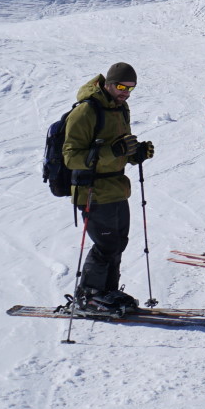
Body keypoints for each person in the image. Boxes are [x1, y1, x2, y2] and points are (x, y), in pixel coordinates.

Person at [62, 62, 154, 315]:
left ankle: (107, 291)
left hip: (117, 187)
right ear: (109, 84)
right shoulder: (86, 111)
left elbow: (119, 147)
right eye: (122, 87)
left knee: (118, 243)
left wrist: (134, 153)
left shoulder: (120, 108)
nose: (126, 93)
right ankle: (89, 295)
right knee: (106, 245)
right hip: (91, 189)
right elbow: (71, 157)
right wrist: (112, 151)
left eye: (131, 88)